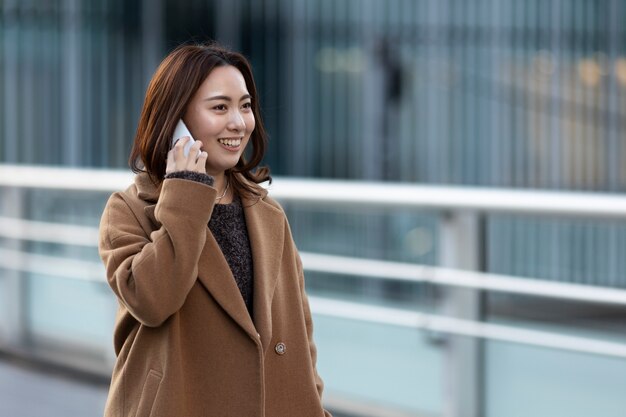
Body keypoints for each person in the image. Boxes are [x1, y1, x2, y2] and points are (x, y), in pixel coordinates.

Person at [98, 42, 331, 417]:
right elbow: (153, 300)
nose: (239, 122)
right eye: (220, 107)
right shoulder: (130, 210)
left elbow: (301, 335)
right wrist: (186, 191)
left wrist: (313, 405)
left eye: (245, 105)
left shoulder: (266, 212)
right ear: (177, 119)